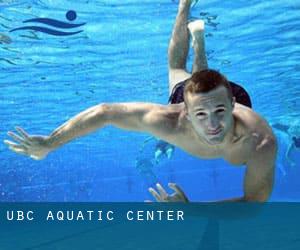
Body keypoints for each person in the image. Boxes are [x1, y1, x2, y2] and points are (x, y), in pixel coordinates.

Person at [4, 0, 277, 202]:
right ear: (184, 110)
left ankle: (199, 43)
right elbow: (105, 112)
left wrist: (192, 210)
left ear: (232, 105)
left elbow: (254, 204)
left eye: (220, 111)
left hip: (223, 99)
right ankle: (185, 6)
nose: (214, 124)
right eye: (201, 115)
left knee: (184, 73)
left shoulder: (260, 140)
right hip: (203, 97)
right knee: (178, 71)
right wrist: (50, 142)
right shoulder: (170, 120)